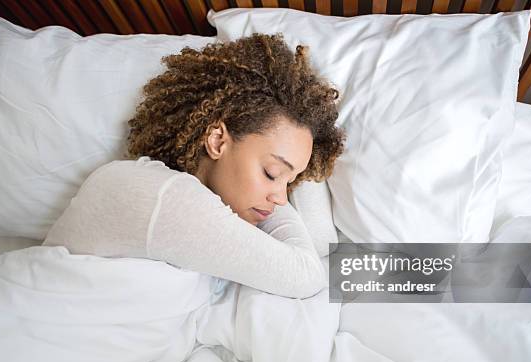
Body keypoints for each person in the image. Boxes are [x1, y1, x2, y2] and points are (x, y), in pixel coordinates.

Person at [43, 33, 346, 298]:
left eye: (290, 184)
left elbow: (323, 248)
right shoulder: (162, 196)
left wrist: (295, 162)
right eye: (271, 173)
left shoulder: (209, 207)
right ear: (216, 141)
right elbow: (305, 275)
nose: (281, 198)